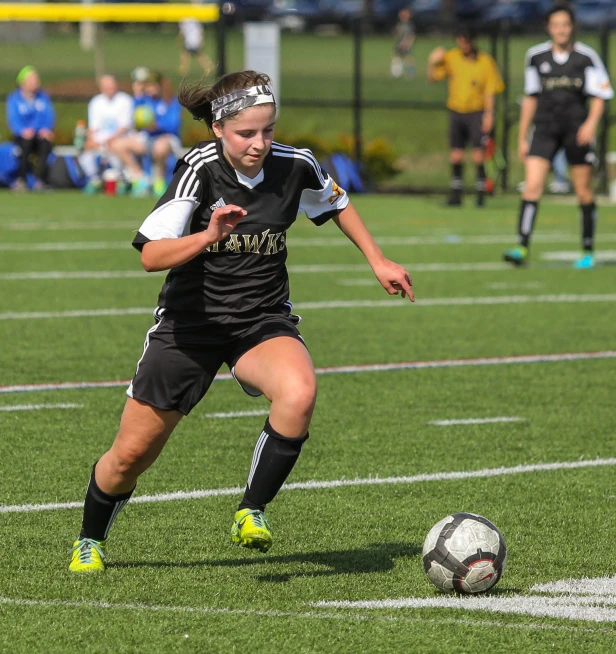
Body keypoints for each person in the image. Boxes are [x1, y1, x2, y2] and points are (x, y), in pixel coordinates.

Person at [68, 70, 415, 573]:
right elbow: (151, 256)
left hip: (260, 319)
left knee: (299, 393)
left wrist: (377, 260)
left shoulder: (296, 164)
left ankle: (251, 510)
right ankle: (90, 539)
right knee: (130, 455)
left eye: (268, 130)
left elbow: (337, 202)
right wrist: (208, 235)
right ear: (217, 129)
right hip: (190, 327)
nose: (259, 144)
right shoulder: (199, 168)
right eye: (246, 134)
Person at [503, 5, 613, 269]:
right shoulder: (536, 56)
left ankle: (587, 250)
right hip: (544, 128)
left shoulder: (586, 57)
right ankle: (522, 246)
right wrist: (521, 137)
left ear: (572, 27)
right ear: (548, 28)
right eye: (556, 25)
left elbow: (601, 96)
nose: (561, 29)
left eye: (565, 24)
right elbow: (531, 97)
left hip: (577, 129)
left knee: (583, 191)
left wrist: (590, 124)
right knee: (532, 186)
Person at [427, 27, 505, 207]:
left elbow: (490, 91)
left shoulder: (485, 61)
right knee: (456, 155)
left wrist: (489, 114)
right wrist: (432, 62)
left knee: (479, 155)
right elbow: (433, 79)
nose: (464, 45)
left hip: (476, 112)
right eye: (461, 40)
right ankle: (456, 194)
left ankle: (480, 193)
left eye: (467, 41)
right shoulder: (451, 57)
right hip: (456, 111)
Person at [109, 70, 182, 198]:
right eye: (147, 85)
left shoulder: (170, 102)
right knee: (117, 144)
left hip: (168, 139)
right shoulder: (144, 100)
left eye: (152, 85)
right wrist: (137, 95)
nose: (149, 88)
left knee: (160, 146)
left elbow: (173, 125)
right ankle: (140, 178)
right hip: (148, 138)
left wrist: (157, 126)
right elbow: (135, 118)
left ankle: (158, 180)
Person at [80, 74, 134, 194]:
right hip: (102, 141)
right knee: (86, 153)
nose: (109, 88)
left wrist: (109, 140)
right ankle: (95, 180)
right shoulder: (95, 102)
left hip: (119, 139)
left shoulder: (125, 100)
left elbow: (124, 127)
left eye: (111, 85)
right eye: (106, 86)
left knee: (116, 149)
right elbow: (93, 128)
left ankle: (122, 181)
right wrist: (90, 140)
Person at [5, 66, 55, 191]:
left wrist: (46, 129)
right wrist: (22, 131)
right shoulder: (14, 98)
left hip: (39, 134)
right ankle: (21, 180)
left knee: (45, 144)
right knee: (25, 144)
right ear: (23, 82)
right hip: (23, 135)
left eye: (36, 79)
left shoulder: (42, 97)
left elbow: (49, 115)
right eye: (32, 79)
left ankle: (41, 181)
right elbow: (13, 119)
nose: (36, 82)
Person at [391, 8, 415, 80]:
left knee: (408, 59)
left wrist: (408, 44)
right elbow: (396, 33)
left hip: (405, 45)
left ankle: (410, 74)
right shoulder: (400, 24)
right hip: (399, 45)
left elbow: (411, 36)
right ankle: (396, 73)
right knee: (396, 58)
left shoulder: (409, 25)